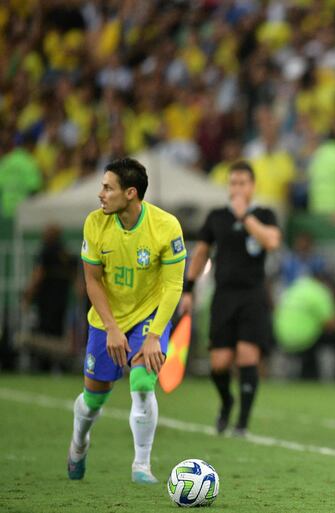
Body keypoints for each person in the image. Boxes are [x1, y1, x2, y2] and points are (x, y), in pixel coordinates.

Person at [68, 158, 186, 483]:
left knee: (143, 382)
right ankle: (79, 444)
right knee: (93, 399)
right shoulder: (95, 223)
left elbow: (174, 285)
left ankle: (141, 465)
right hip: (107, 319)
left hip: (148, 316)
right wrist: (112, 328)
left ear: (130, 193)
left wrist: (154, 335)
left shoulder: (166, 226)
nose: (100, 194)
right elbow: (92, 282)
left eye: (108, 187)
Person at [180, 161, 281, 436]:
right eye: (233, 183)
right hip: (223, 296)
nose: (237, 188)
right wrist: (188, 290)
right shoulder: (216, 217)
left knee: (248, 358)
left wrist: (245, 217)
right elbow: (200, 254)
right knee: (219, 364)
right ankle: (227, 402)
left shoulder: (264, 214)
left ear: (252, 186)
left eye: (242, 183)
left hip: (253, 296)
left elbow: (271, 242)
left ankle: (242, 424)